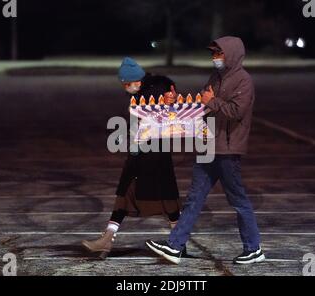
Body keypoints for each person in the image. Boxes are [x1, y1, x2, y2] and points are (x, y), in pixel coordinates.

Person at [145, 37, 265, 265]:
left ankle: (254, 248)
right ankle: (175, 246)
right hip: (208, 145)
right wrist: (177, 102)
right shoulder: (216, 77)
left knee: (238, 200)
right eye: (213, 53)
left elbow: (236, 112)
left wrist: (212, 101)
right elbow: (202, 104)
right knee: (193, 199)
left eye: (218, 53)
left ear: (230, 54)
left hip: (228, 149)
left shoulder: (243, 81)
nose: (215, 57)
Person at [82, 57, 184, 259]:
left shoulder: (153, 91)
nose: (125, 87)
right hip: (143, 152)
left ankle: (179, 241)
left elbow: (164, 115)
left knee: (166, 198)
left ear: (136, 80)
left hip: (154, 153)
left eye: (127, 84)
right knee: (130, 194)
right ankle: (107, 238)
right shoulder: (148, 90)